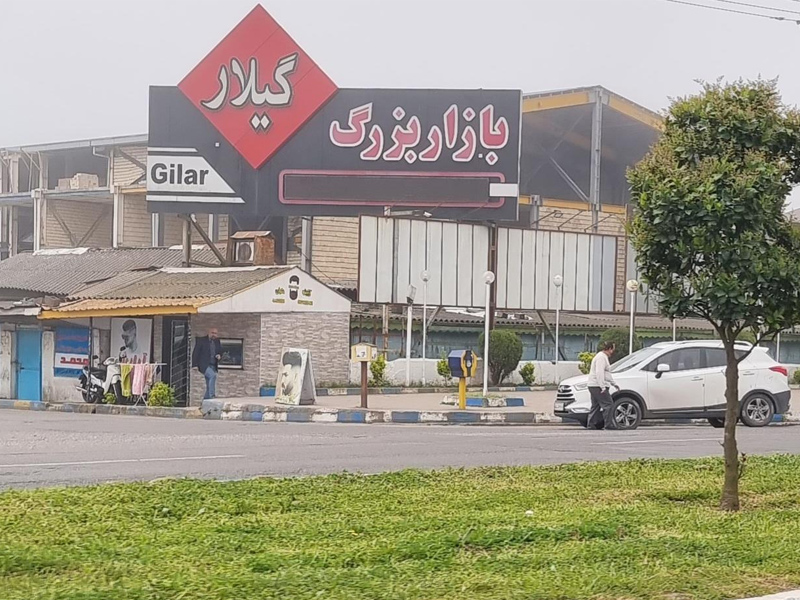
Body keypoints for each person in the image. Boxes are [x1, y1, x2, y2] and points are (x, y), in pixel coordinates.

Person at [586, 341, 620, 430]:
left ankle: (591, 424)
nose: (612, 352)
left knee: (595, 405)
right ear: (609, 349)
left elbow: (606, 374)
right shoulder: (601, 357)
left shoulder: (601, 356)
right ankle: (608, 424)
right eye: (612, 349)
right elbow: (599, 372)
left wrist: (613, 383)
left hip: (593, 385)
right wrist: (602, 387)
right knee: (608, 404)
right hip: (597, 386)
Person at [192, 328, 222, 400]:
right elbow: (196, 352)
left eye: (215, 333)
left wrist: (219, 355)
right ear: (209, 332)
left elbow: (220, 351)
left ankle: (206, 399)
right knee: (212, 376)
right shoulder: (201, 341)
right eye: (212, 333)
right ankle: (212, 396)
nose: (214, 335)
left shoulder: (217, 341)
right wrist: (194, 365)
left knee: (209, 382)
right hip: (204, 364)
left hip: (213, 364)